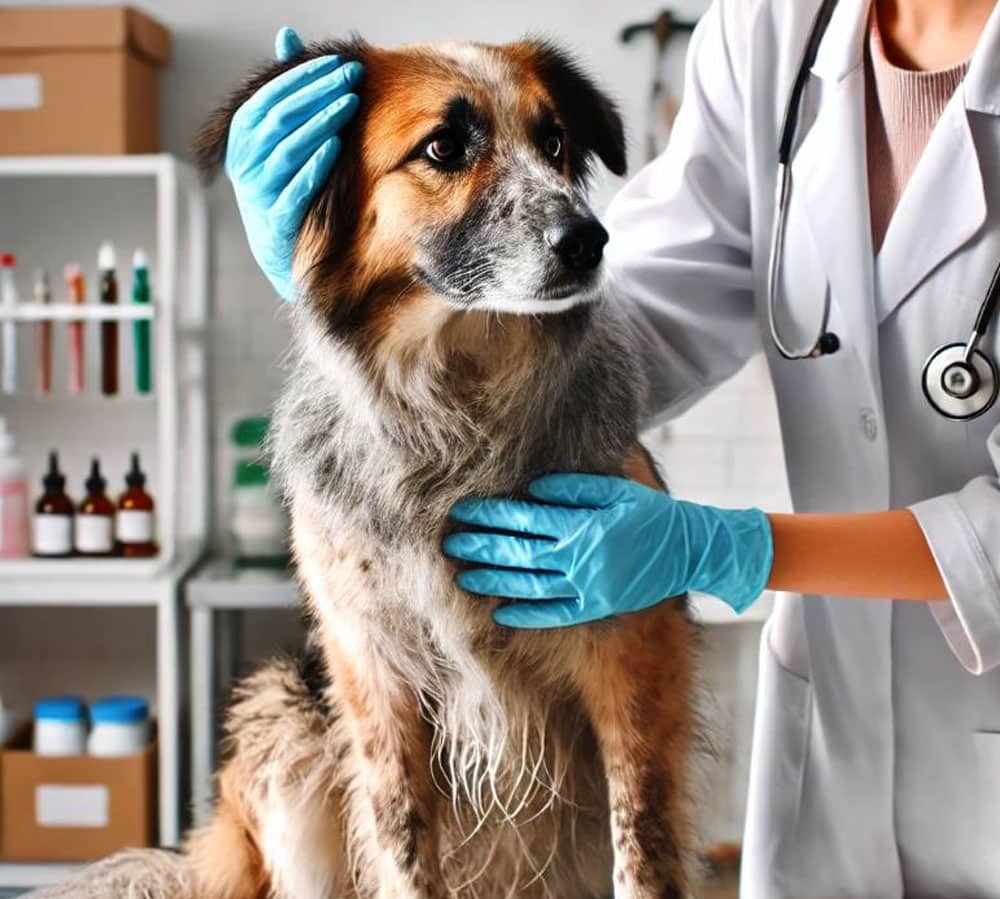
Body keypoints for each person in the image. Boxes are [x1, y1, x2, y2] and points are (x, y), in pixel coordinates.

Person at [222, 1, 1000, 894]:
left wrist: (735, 545)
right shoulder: (773, 33)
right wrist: (345, 281)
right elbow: (648, 310)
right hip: (840, 760)